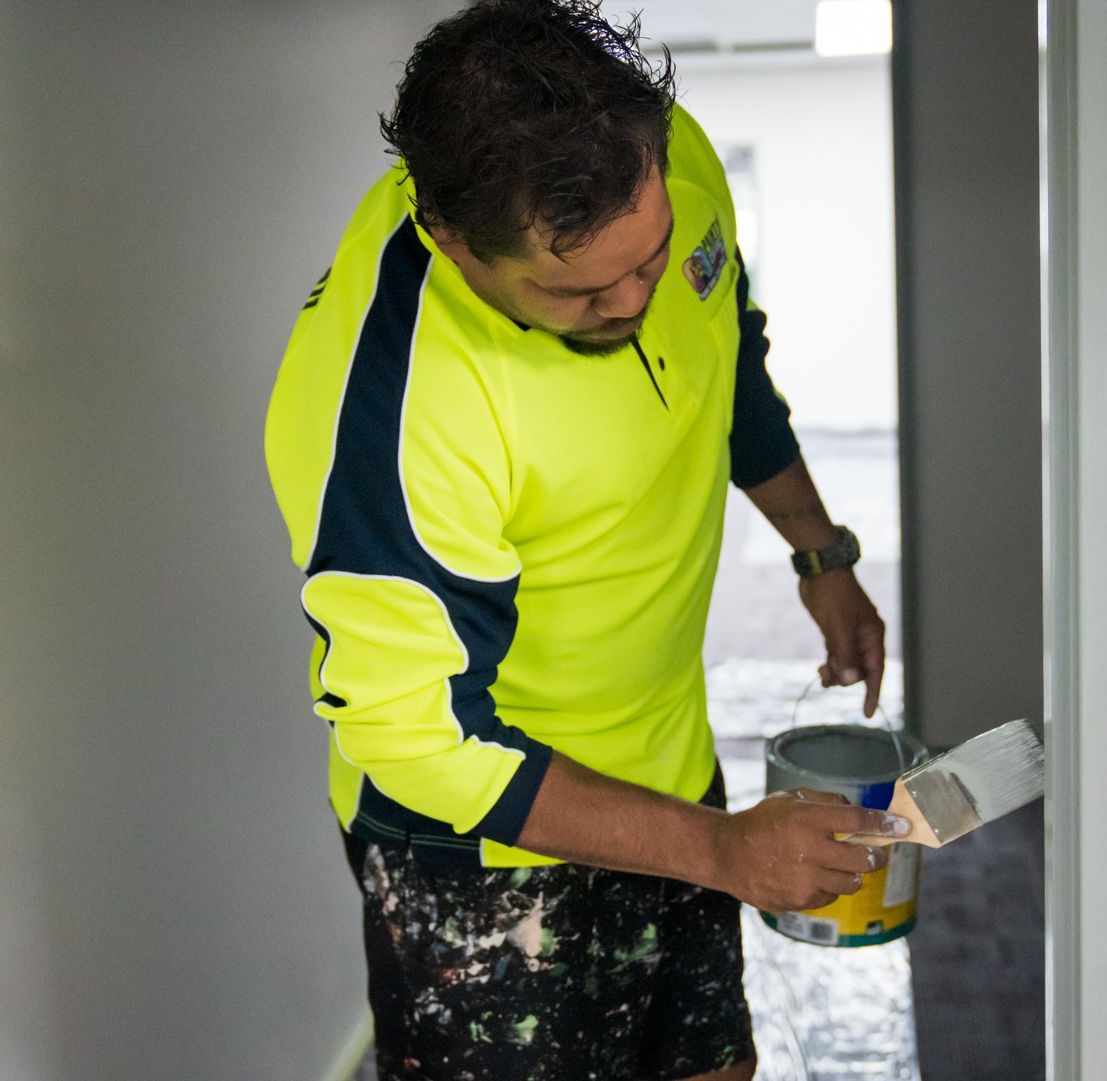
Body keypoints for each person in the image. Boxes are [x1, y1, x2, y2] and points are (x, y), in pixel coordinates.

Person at [264, 2, 904, 1077]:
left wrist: (819, 552)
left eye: (648, 259)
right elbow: (422, 740)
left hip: (665, 765)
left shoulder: (667, 162)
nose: (634, 300)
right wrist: (721, 849)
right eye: (580, 290)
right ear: (454, 237)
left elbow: (723, 356)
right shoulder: (393, 410)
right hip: (479, 861)